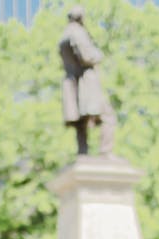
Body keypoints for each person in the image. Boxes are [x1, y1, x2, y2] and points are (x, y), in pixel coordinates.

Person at [58, 5, 116, 156]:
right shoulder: (77, 33)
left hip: (72, 83)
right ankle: (105, 151)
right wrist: (99, 55)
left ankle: (82, 152)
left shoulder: (63, 36)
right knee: (107, 115)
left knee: (81, 121)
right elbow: (87, 56)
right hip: (85, 82)